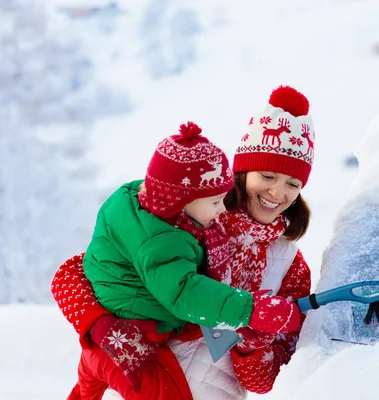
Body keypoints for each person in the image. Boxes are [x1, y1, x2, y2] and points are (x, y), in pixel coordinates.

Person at [51, 85, 317, 400]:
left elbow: (263, 382)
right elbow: (74, 274)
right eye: (268, 176)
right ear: (242, 171)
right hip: (143, 379)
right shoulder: (189, 215)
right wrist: (98, 324)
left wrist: (252, 341)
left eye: (292, 184)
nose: (277, 193)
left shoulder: (290, 266)